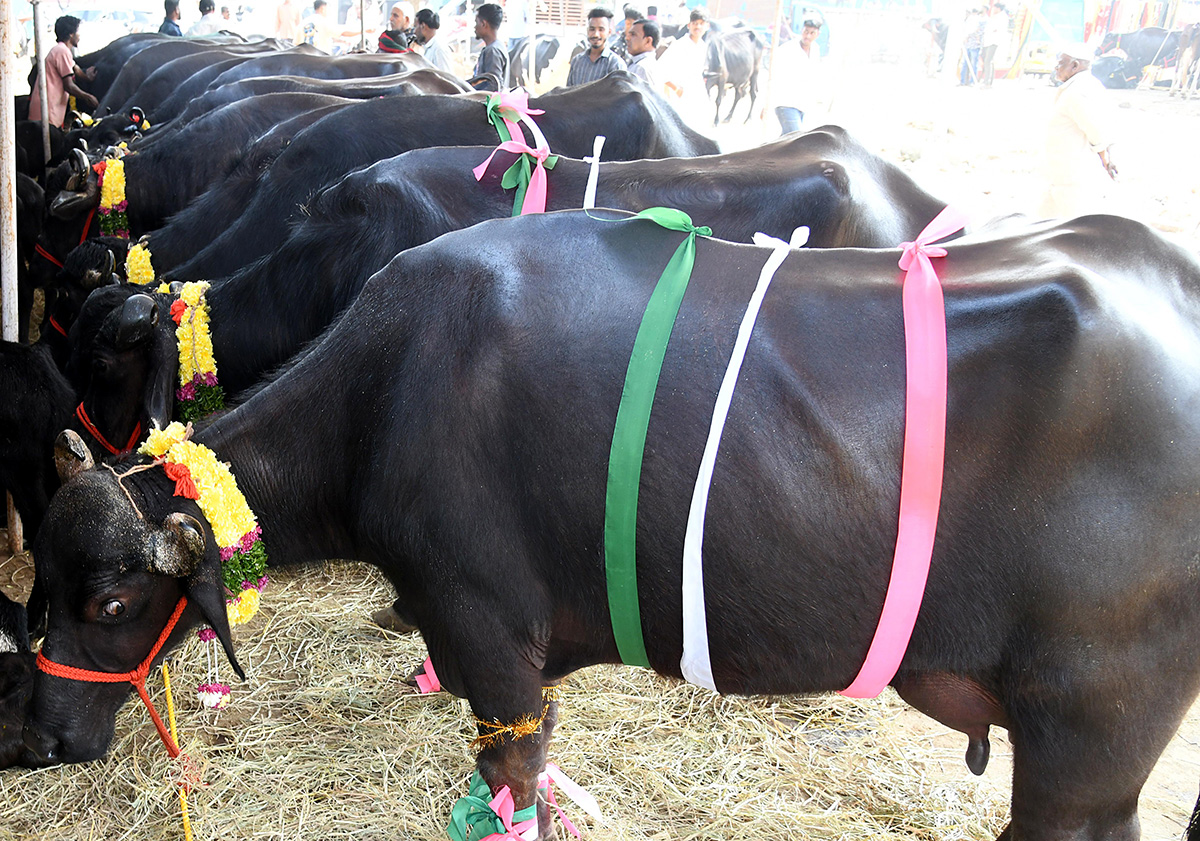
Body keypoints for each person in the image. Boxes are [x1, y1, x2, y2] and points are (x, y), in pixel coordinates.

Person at [1039, 43, 1118, 217]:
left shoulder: (1077, 92)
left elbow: (1095, 131)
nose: (1056, 68)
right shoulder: (1087, 85)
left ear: (1074, 65)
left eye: (1060, 63)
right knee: (1044, 221)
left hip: (1071, 173)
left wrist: (1105, 157)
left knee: (1070, 222)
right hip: (1062, 171)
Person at [29, 16, 98, 125]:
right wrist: (88, 97)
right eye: (78, 32)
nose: (79, 36)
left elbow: (76, 69)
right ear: (71, 34)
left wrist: (88, 77)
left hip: (48, 108)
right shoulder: (62, 51)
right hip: (48, 110)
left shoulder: (62, 50)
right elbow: (68, 86)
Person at [771, 16, 822, 134]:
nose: (808, 36)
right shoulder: (787, 49)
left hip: (803, 103)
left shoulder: (815, 50)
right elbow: (775, 76)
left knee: (787, 141)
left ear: (817, 34)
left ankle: (767, 152)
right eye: (806, 32)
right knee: (796, 137)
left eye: (812, 33)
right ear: (801, 31)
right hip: (786, 102)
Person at [658, 7, 709, 124]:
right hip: (679, 98)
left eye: (701, 24)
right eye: (695, 23)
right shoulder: (679, 45)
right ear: (688, 25)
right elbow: (660, 70)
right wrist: (676, 89)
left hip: (696, 96)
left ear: (707, 26)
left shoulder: (703, 46)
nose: (698, 27)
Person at [566, 7, 626, 86]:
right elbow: (568, 93)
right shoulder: (577, 61)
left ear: (609, 32)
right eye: (592, 29)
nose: (595, 34)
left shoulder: (615, 64)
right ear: (587, 31)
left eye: (601, 29)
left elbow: (620, 96)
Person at [472, 3, 508, 89]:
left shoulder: (493, 50)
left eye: (476, 22)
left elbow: (494, 87)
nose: (474, 27)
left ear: (484, 24)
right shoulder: (496, 46)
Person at [413, 8, 453, 73]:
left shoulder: (439, 49)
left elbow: (445, 78)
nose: (414, 31)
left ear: (423, 26)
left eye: (415, 26)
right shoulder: (430, 47)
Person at [624, 18, 659, 88]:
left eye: (633, 35)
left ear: (648, 41)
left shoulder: (642, 68)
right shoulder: (639, 64)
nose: (627, 38)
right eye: (629, 34)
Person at [980, 4, 1008, 87]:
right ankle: (988, 80)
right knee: (988, 61)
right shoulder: (995, 16)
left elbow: (997, 29)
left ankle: (987, 81)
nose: (993, 9)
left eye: (994, 8)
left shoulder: (1002, 17)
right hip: (989, 41)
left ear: (998, 8)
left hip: (994, 41)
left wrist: (991, 31)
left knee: (988, 61)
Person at [959, 6, 985, 85]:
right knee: (971, 64)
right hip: (971, 45)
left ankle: (966, 81)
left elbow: (977, 32)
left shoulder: (973, 20)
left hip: (971, 44)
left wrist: (968, 36)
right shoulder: (977, 20)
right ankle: (969, 81)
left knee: (968, 64)